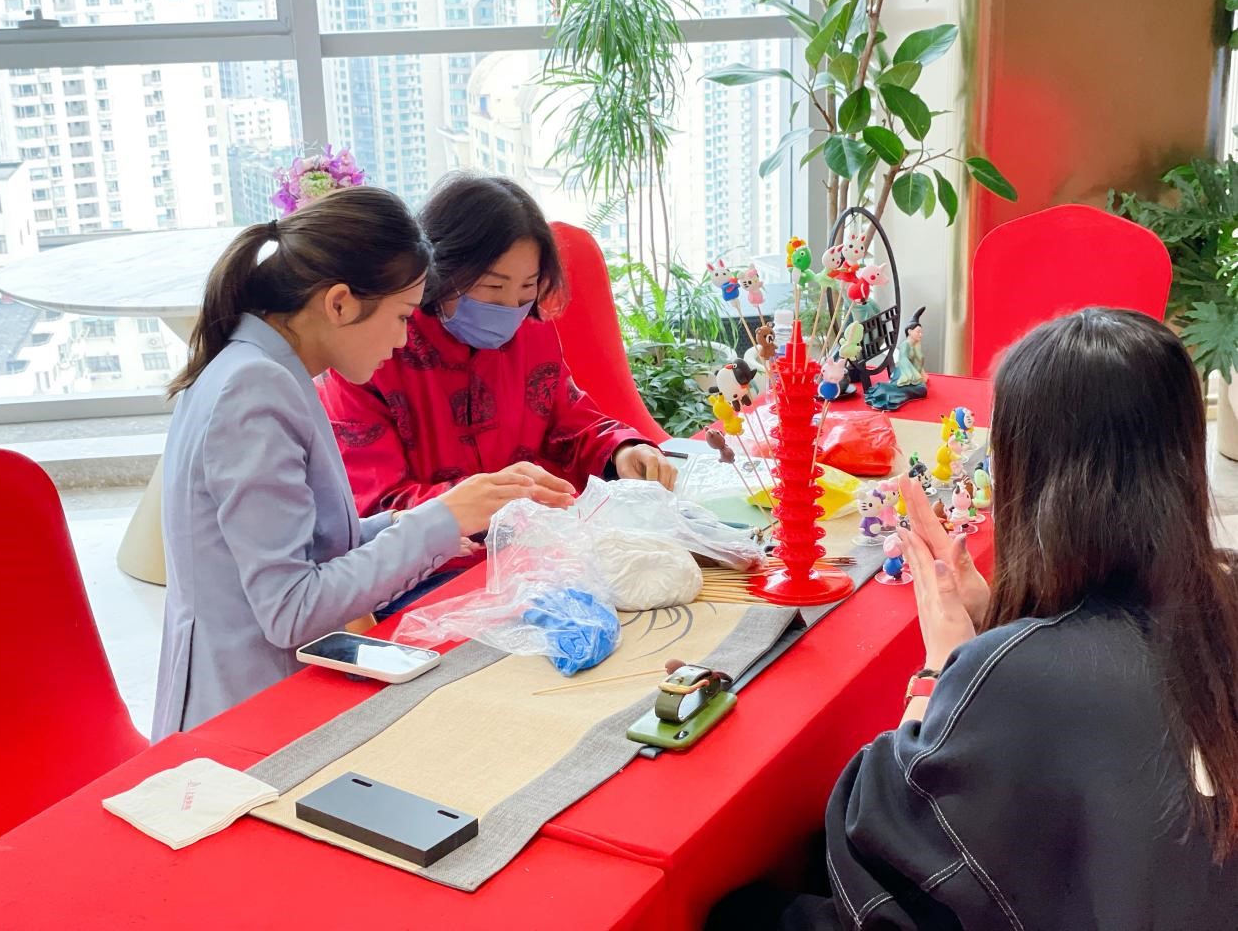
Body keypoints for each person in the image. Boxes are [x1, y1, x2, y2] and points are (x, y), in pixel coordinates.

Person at [782, 309, 1238, 928]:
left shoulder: (1024, 674)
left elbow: (877, 830)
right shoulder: (1221, 597)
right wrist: (1001, 620)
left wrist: (940, 669)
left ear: (1033, 473)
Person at [152, 186, 574, 740]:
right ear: (340, 304)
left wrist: (418, 519)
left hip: (265, 696)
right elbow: (292, 610)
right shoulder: (254, 389)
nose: (402, 340)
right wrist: (440, 520)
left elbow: (307, 541)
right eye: (401, 316)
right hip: (247, 717)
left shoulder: (259, 367)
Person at [317, 174, 677, 548]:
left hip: (536, 547)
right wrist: (490, 502)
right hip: (428, 562)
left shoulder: (532, 331)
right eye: (493, 287)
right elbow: (375, 507)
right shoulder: (375, 351)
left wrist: (622, 450)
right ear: (442, 268)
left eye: (527, 288)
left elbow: (571, 424)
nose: (509, 309)